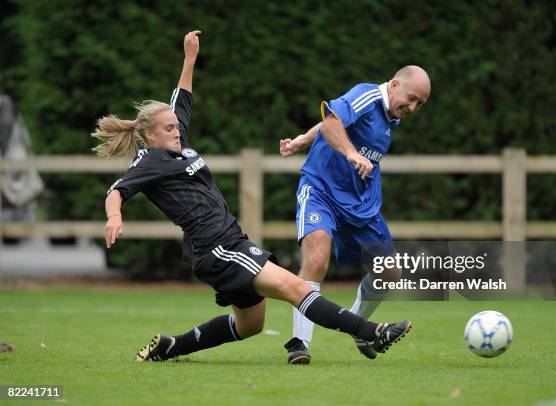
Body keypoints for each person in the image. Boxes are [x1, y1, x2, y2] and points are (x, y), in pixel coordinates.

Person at [94, 30, 410, 363]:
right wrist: (115, 215)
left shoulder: (177, 142)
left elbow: (181, 99)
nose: (177, 129)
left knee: (249, 325)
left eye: (177, 126)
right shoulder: (150, 160)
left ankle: (173, 346)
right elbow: (118, 190)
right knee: (297, 288)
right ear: (148, 135)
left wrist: (189, 60)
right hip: (219, 247)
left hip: (223, 243)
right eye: (169, 128)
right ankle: (372, 331)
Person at [279, 65, 430, 364]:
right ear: (395, 84)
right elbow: (333, 120)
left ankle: (358, 328)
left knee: (389, 272)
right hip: (321, 189)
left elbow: (331, 124)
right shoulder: (366, 95)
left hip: (361, 203)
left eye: (419, 104)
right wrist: (351, 154)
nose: (412, 107)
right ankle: (299, 343)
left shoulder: (391, 116)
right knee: (317, 258)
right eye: (411, 98)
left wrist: (301, 139)